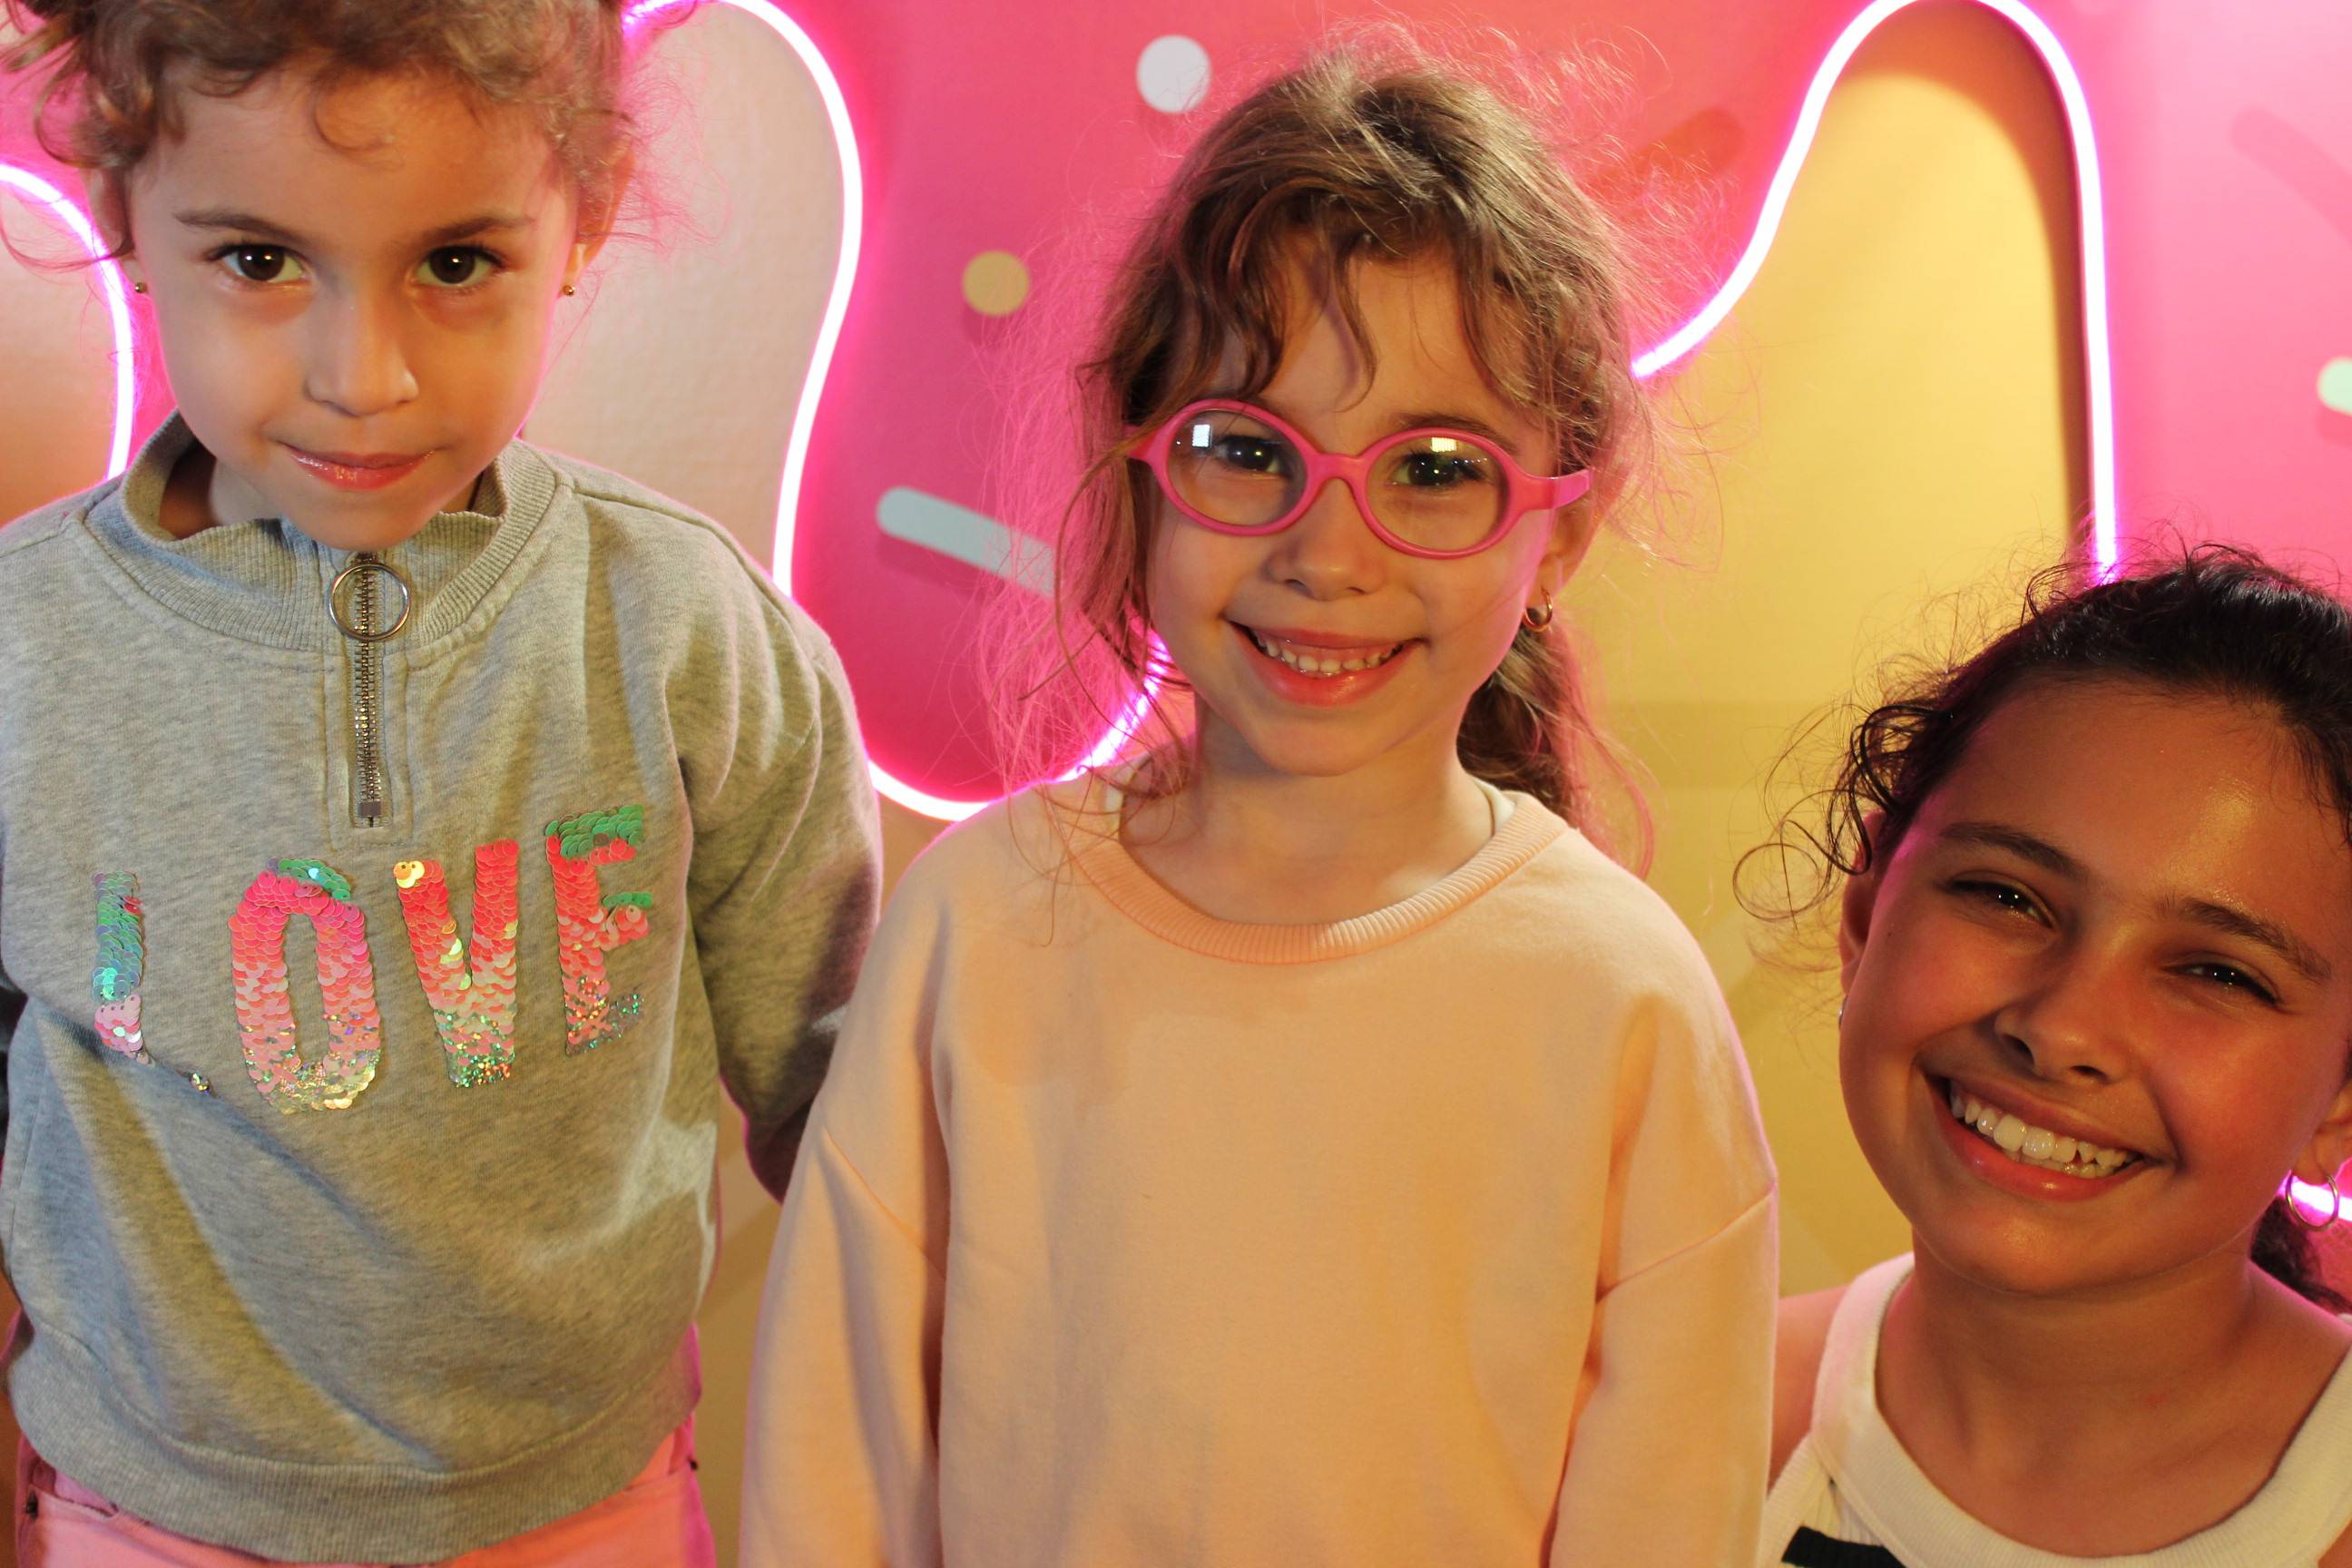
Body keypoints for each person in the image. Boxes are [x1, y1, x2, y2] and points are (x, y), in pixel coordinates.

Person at [742, 41, 1778, 1566]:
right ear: (1139, 462)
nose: (1327, 553)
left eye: (1433, 470)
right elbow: (834, 1472)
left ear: (1559, 530)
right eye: (1246, 451)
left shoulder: (1625, 1004)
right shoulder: (981, 925)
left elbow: (1664, 1514)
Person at [0, 2, 881, 1561]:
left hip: (585, 1506)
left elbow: (846, 1114)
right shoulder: (25, 653)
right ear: (124, 206)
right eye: (261, 258)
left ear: (583, 217)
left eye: (456, 263)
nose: (365, 377)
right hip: (147, 1516)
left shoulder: (692, 637)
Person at [1759, 549, 2352, 1565]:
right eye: (2007, 897)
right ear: (1866, 914)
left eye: (2218, 973)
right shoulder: (1652, 1413)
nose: (2063, 1028)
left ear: (2342, 1100)